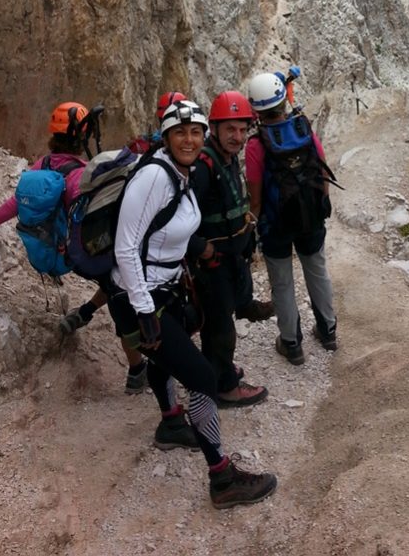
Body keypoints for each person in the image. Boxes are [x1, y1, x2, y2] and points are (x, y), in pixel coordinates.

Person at [107, 99, 277, 509]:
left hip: (162, 289)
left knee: (167, 359)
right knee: (201, 378)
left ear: (204, 135)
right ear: (165, 137)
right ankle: (222, 478)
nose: (189, 139)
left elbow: (168, 236)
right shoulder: (154, 176)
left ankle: (171, 424)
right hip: (139, 297)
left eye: (195, 132)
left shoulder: (182, 173)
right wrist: (144, 310)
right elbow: (125, 247)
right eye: (180, 132)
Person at [0, 101, 148, 394]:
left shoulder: (42, 166)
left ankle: (84, 312)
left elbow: (14, 204)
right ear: (83, 136)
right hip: (78, 254)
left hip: (58, 252)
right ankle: (136, 370)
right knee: (119, 285)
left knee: (112, 280)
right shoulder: (82, 174)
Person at [245, 72, 338, 366]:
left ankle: (291, 344)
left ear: (256, 110)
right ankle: (328, 332)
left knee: (282, 282)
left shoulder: (256, 145)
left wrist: (252, 226)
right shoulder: (303, 127)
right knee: (317, 271)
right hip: (311, 217)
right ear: (284, 100)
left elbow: (255, 198)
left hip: (276, 224)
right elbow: (322, 170)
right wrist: (321, 205)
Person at [190, 90, 273, 408]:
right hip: (213, 263)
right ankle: (224, 387)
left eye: (242, 129)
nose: (237, 136)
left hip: (228, 257)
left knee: (220, 320)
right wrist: (201, 249)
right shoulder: (203, 167)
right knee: (220, 326)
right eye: (230, 129)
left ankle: (217, 367)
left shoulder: (225, 157)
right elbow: (181, 218)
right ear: (214, 128)